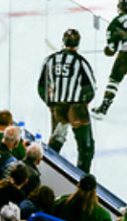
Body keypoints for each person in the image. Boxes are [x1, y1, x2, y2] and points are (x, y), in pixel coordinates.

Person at [37, 29, 97, 173]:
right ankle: (81, 177)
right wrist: (85, 102)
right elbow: (91, 86)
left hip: (58, 106)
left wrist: (50, 103)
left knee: (57, 140)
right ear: (78, 43)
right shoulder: (80, 62)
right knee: (86, 147)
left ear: (63, 41)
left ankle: (48, 170)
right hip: (77, 108)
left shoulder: (50, 60)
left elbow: (41, 85)